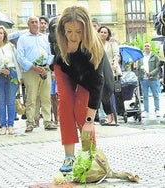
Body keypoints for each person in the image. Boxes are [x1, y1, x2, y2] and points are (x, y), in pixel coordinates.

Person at [54, 6, 113, 174]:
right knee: (65, 105)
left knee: (81, 110)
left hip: (88, 80)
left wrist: (89, 121)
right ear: (62, 29)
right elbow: (60, 62)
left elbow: (97, 85)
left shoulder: (95, 49)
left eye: (78, 32)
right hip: (64, 69)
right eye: (69, 31)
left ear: (86, 30)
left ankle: (89, 155)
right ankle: (69, 157)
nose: (73, 37)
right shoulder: (59, 39)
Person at [17, 16, 57, 133]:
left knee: (46, 97)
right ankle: (30, 122)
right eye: (32, 22)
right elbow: (20, 57)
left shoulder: (45, 38)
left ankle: (47, 121)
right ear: (28, 24)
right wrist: (33, 67)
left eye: (36, 22)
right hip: (30, 71)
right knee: (31, 97)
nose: (35, 24)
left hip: (45, 70)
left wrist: (46, 66)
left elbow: (51, 54)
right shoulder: (23, 39)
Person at [98, 25, 121, 126]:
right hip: (100, 73)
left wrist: (114, 63)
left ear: (108, 34)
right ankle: (109, 118)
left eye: (105, 32)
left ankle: (115, 119)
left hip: (111, 72)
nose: (103, 34)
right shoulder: (96, 45)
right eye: (101, 32)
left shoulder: (111, 43)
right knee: (103, 96)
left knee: (110, 95)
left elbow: (116, 55)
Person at [138, 42, 161, 118]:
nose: (146, 47)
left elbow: (158, 68)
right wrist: (139, 77)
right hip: (143, 79)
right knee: (145, 96)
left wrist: (151, 73)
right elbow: (138, 68)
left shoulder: (155, 57)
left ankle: (157, 110)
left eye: (148, 46)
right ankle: (146, 110)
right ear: (143, 47)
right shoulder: (141, 57)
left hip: (153, 79)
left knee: (155, 95)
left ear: (150, 47)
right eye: (145, 46)